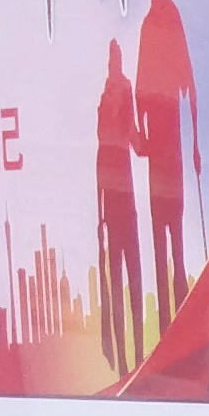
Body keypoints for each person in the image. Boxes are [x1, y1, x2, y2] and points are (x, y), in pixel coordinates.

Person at [134, 0, 201, 324]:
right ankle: (165, 324)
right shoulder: (147, 25)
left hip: (172, 136)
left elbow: (188, 78)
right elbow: (139, 87)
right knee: (159, 233)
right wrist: (141, 133)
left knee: (175, 228)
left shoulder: (171, 16)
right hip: (157, 139)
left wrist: (195, 144)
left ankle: (183, 318)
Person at [92, 37, 142, 373]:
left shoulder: (123, 90)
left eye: (117, 57)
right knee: (120, 279)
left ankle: (136, 356)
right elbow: (110, 147)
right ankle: (125, 360)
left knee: (131, 277)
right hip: (114, 204)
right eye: (113, 58)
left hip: (123, 201)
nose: (115, 63)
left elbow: (135, 138)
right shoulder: (109, 97)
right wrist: (100, 217)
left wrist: (149, 144)